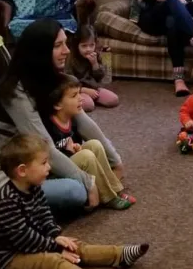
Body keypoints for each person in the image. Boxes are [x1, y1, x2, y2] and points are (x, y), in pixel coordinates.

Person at [0, 18, 126, 212]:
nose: (66, 50)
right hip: (12, 180)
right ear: (39, 53)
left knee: (88, 157)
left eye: (65, 43)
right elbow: (45, 145)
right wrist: (88, 182)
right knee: (76, 191)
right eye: (58, 45)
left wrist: (116, 161)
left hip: (41, 167)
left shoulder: (53, 80)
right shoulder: (15, 92)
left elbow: (83, 122)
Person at [0, 134, 149, 269]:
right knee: (55, 261)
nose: (49, 167)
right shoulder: (7, 201)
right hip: (9, 258)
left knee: (73, 246)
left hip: (33, 243)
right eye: (43, 163)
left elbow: (45, 216)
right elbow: (24, 239)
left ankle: (118, 255)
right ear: (22, 170)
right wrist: (54, 247)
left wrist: (56, 237)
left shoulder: (34, 187)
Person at [43, 75, 135, 210]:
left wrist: (75, 147)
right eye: (74, 96)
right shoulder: (48, 126)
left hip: (70, 164)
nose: (80, 98)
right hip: (55, 173)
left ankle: (116, 189)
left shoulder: (72, 120)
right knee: (86, 156)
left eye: (80, 93)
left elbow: (70, 146)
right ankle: (109, 197)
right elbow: (51, 156)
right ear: (57, 104)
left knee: (94, 145)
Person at [66, 0, 119, 112]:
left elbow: (101, 77)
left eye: (91, 45)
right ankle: (85, 98)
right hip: (77, 89)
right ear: (76, 45)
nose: (89, 49)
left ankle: (90, 97)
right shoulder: (71, 58)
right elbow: (67, 82)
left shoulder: (95, 54)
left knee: (113, 100)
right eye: (84, 46)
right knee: (88, 105)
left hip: (93, 87)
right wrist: (83, 90)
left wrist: (95, 64)